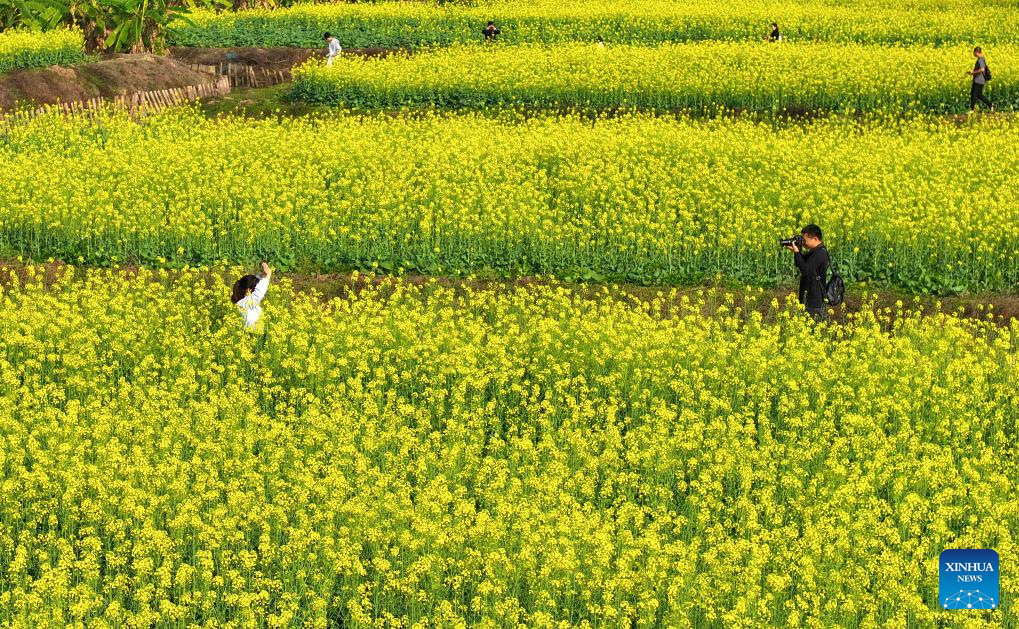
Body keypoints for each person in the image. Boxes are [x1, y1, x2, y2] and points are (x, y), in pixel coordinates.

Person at [785, 224, 830, 322]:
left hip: (814, 300)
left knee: (814, 326)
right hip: (808, 296)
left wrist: (797, 252)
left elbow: (805, 270)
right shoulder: (814, 251)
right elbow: (799, 263)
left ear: (815, 239)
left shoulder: (820, 253)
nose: (803, 243)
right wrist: (797, 252)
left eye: (805, 240)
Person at [232, 261, 272, 334]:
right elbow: (258, 293)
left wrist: (262, 275)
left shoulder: (241, 301)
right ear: (249, 290)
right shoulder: (245, 303)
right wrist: (267, 276)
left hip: (254, 334)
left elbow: (253, 282)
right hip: (251, 335)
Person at [967, 47, 993, 112]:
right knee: (979, 95)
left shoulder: (980, 60)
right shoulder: (982, 59)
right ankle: (991, 105)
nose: (973, 54)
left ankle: (972, 109)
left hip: (978, 80)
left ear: (976, 52)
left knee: (973, 94)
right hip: (981, 80)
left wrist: (972, 73)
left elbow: (982, 69)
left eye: (974, 52)